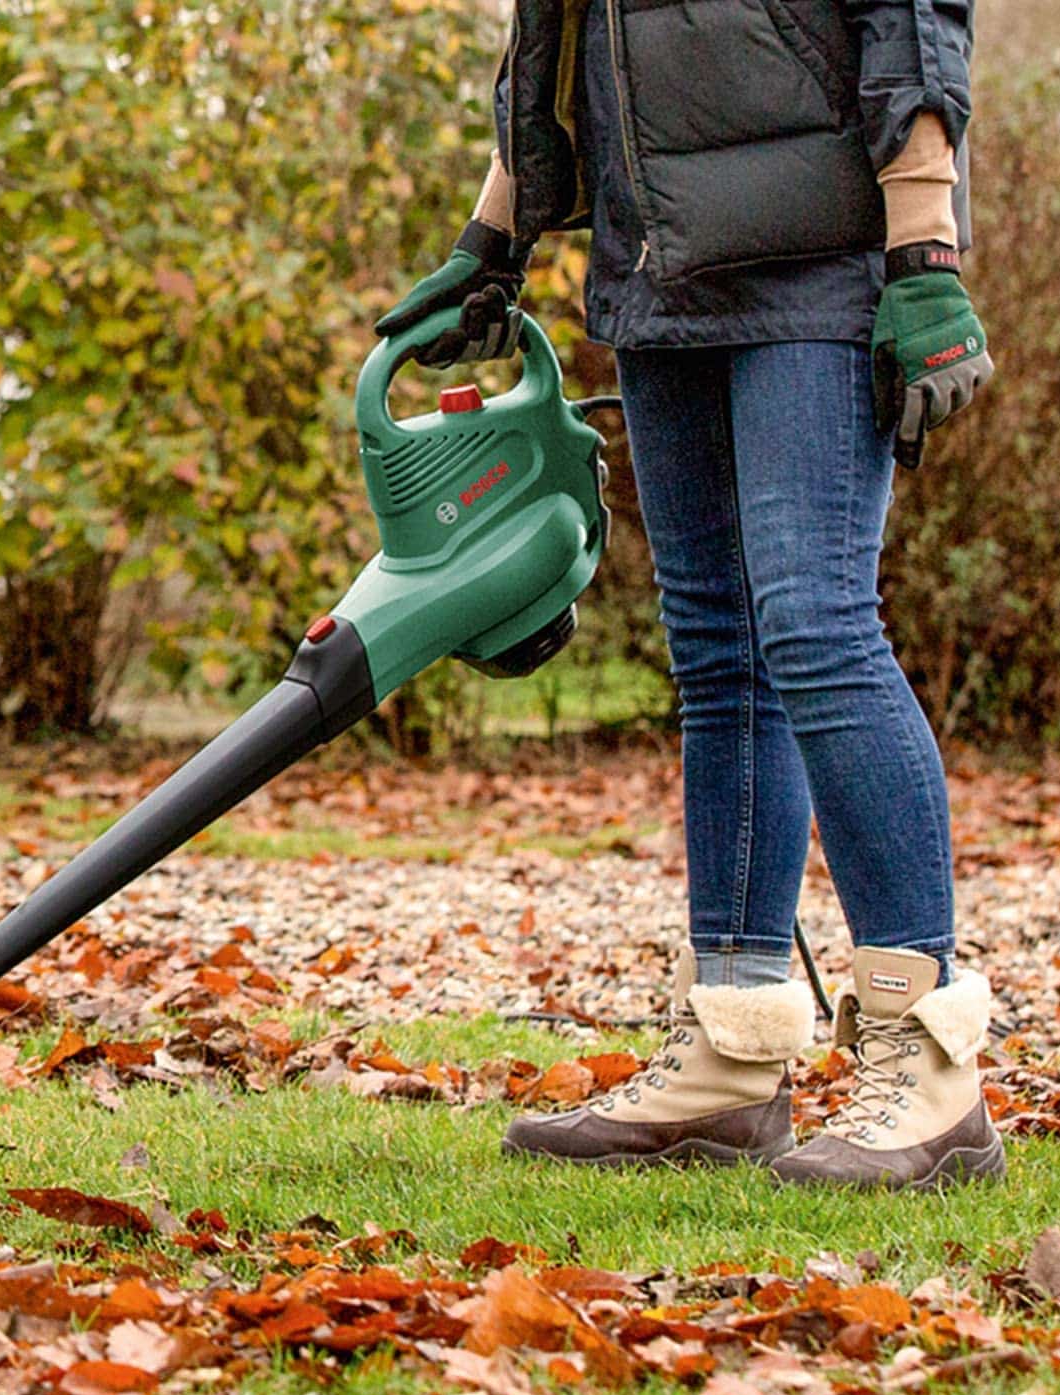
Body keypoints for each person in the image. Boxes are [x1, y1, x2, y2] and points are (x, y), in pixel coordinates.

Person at [376, 0, 999, 1190]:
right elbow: (555, 38)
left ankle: (929, 1069)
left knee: (816, 626)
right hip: (658, 264)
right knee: (721, 654)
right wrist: (491, 236)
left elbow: (911, 23)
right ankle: (733, 1046)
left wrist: (926, 252)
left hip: (819, 257)